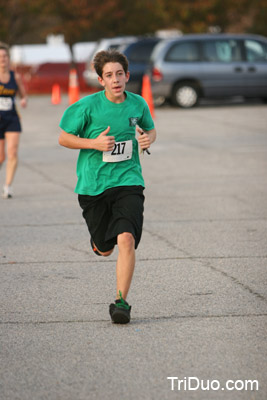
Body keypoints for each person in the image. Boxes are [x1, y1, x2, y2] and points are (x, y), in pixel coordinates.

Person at [59, 49, 156, 324]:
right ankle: (98, 244)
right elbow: (64, 138)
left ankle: (121, 303)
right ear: (101, 80)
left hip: (128, 180)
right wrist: (93, 143)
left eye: (120, 74)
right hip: (93, 185)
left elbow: (150, 129)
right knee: (106, 248)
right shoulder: (87, 106)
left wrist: (149, 138)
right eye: (109, 75)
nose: (116, 80)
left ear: (127, 76)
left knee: (126, 238)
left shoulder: (138, 104)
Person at [0, 42, 27, 199]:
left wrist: (23, 101)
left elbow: (23, 95)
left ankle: (8, 186)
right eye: (0, 57)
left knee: (13, 152)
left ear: (9, 58)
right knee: (1, 157)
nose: (2, 59)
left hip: (11, 118)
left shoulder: (15, 76)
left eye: (5, 56)